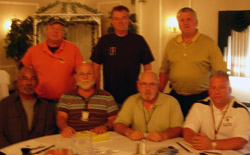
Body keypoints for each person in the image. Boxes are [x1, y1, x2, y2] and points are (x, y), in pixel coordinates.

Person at [159, 7, 227, 117]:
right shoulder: (171, 44)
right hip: (176, 97)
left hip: (201, 97)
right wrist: (159, 93)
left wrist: (220, 95)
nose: (185, 23)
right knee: (176, 128)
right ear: (178, 23)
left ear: (196, 22)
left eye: (189, 19)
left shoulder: (208, 43)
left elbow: (220, 72)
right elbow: (164, 71)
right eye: (182, 20)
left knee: (199, 131)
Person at [91, 5, 154, 106]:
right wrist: (97, 91)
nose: (120, 21)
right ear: (112, 21)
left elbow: (148, 68)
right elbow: (95, 67)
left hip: (135, 96)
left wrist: (146, 89)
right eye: (116, 18)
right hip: (110, 97)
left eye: (123, 18)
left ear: (128, 20)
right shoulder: (104, 41)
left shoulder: (138, 40)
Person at [21, 16, 83, 106]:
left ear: (64, 32)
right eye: (52, 28)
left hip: (67, 102)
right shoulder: (33, 51)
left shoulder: (73, 49)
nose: (55, 31)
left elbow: (81, 73)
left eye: (60, 29)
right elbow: (22, 72)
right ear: (46, 30)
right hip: (40, 102)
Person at [183, 70, 250, 150]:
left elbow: (240, 142)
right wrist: (197, 141)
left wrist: (211, 144)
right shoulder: (199, 106)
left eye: (222, 87)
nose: (217, 92)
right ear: (209, 91)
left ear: (230, 90)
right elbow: (188, 130)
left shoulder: (240, 110)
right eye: (213, 88)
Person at [114, 71, 183, 142]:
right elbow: (118, 124)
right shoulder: (131, 100)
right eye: (144, 84)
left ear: (158, 86)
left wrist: (164, 135)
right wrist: (129, 132)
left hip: (164, 145)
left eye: (152, 84)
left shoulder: (171, 102)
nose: (147, 88)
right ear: (138, 86)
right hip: (137, 144)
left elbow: (179, 128)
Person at [56, 62, 119, 138]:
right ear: (76, 77)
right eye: (81, 74)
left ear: (95, 76)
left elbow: (114, 119)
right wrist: (65, 128)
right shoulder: (66, 96)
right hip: (72, 138)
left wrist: (105, 127)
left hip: (99, 138)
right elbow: (61, 117)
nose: (85, 77)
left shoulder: (107, 96)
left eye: (89, 74)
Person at [0, 66, 56, 148]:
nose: (29, 83)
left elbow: (50, 135)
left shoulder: (45, 107)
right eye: (24, 78)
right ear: (17, 82)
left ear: (37, 82)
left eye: (32, 79)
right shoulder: (5, 105)